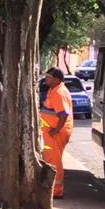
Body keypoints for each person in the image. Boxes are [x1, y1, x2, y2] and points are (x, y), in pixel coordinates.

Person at [40, 67, 74, 199]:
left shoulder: (59, 92)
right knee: (50, 159)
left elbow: (63, 114)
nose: (46, 79)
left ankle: (56, 190)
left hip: (56, 133)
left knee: (54, 161)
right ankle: (53, 188)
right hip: (52, 132)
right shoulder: (54, 90)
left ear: (56, 79)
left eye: (48, 77)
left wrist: (56, 130)